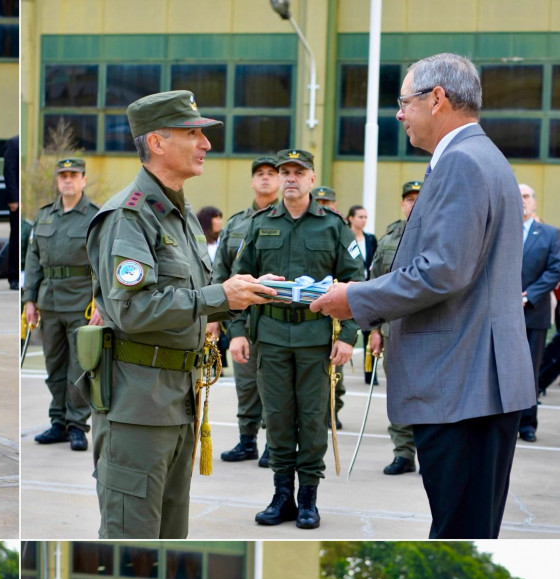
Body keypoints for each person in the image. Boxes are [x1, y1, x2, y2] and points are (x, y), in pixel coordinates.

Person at [311, 54, 537, 540]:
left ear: (437, 99)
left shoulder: (460, 162)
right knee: (469, 524)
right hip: (477, 381)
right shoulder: (483, 156)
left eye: (404, 102)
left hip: (463, 384)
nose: (398, 114)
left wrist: (356, 299)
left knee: (459, 530)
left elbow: (442, 271)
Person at [87, 91, 277, 539]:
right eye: (192, 134)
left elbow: (191, 298)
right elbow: (132, 308)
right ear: (156, 142)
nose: (205, 144)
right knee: (132, 538)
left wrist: (240, 295)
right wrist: (218, 296)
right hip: (137, 409)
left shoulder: (180, 214)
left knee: (171, 537)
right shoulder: (130, 216)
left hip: (177, 402)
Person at [229, 147, 366, 530]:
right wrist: (237, 332)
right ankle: (281, 496)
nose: (290, 178)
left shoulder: (333, 226)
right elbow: (240, 281)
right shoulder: (259, 224)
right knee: (277, 418)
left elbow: (355, 283)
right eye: (285, 172)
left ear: (311, 179)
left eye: (298, 172)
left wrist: (348, 337)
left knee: (312, 419)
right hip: (271, 337)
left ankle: (308, 498)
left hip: (315, 338)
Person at [25, 157, 100, 451]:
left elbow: (102, 264)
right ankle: (58, 421)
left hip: (81, 303)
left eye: (73, 175)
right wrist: (29, 299)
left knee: (79, 368)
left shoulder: (95, 216)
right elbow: (33, 260)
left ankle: (77, 425)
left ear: (83, 180)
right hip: (50, 302)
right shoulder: (45, 215)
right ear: (58, 181)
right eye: (63, 176)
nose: (67, 180)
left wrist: (100, 303)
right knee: (54, 366)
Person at [213, 155, 280, 467]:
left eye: (271, 173)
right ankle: (247, 440)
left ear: (279, 181)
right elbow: (220, 270)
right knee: (246, 382)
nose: (265, 177)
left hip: (275, 318)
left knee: (274, 385)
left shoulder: (288, 220)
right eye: (260, 173)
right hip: (241, 316)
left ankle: (274, 444)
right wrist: (215, 317)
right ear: (252, 181)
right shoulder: (236, 224)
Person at [368, 181, 422, 477]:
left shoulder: (439, 234)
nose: (413, 204)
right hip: (393, 330)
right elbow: (375, 285)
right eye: (409, 199)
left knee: (431, 394)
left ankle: (430, 454)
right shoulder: (388, 239)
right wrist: (375, 330)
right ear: (402, 204)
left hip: (429, 331)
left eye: (419, 198)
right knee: (399, 393)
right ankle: (403, 452)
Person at [516, 184, 560, 442]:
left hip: (533, 313)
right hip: (500, 314)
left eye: (525, 196)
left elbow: (555, 270)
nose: (521, 200)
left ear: (534, 202)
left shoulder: (550, 234)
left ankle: (527, 424)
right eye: (517, 196)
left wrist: (528, 295)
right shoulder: (498, 231)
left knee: (529, 372)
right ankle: (502, 424)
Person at [4, 134, 19, 290]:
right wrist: (13, 198)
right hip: (18, 201)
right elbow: (9, 171)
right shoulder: (14, 143)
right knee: (16, 238)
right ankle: (14, 277)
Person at [346, 205, 377, 273]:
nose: (364, 220)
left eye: (365, 217)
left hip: (368, 277)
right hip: (350, 277)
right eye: (360, 217)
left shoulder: (371, 239)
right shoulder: (345, 239)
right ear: (351, 218)